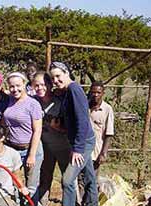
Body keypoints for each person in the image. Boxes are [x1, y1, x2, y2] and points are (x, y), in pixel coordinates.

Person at [49, 62, 98, 206]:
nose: (55, 81)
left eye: (58, 76)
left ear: (66, 73)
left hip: (83, 142)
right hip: (82, 140)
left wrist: (78, 148)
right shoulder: (67, 91)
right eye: (53, 78)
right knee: (89, 177)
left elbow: (82, 120)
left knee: (67, 180)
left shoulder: (74, 90)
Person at [3, 71, 43, 205]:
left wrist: (31, 155)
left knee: (31, 186)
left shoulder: (33, 104)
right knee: (15, 183)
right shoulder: (9, 101)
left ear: (24, 84)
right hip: (13, 149)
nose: (15, 89)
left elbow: (37, 130)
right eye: (12, 86)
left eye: (18, 86)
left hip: (31, 148)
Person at [32, 71, 71, 206]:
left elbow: (70, 126)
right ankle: (42, 201)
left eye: (43, 84)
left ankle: (71, 202)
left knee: (67, 178)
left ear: (49, 85)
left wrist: (57, 127)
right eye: (36, 85)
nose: (40, 88)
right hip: (44, 147)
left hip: (63, 146)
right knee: (45, 176)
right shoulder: (33, 101)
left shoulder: (60, 101)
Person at [89, 81, 114, 175]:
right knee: (80, 180)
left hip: (96, 151)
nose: (95, 95)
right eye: (93, 92)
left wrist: (103, 153)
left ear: (103, 93)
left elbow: (109, 133)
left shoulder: (107, 109)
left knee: (92, 179)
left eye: (98, 93)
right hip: (82, 151)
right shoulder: (85, 107)